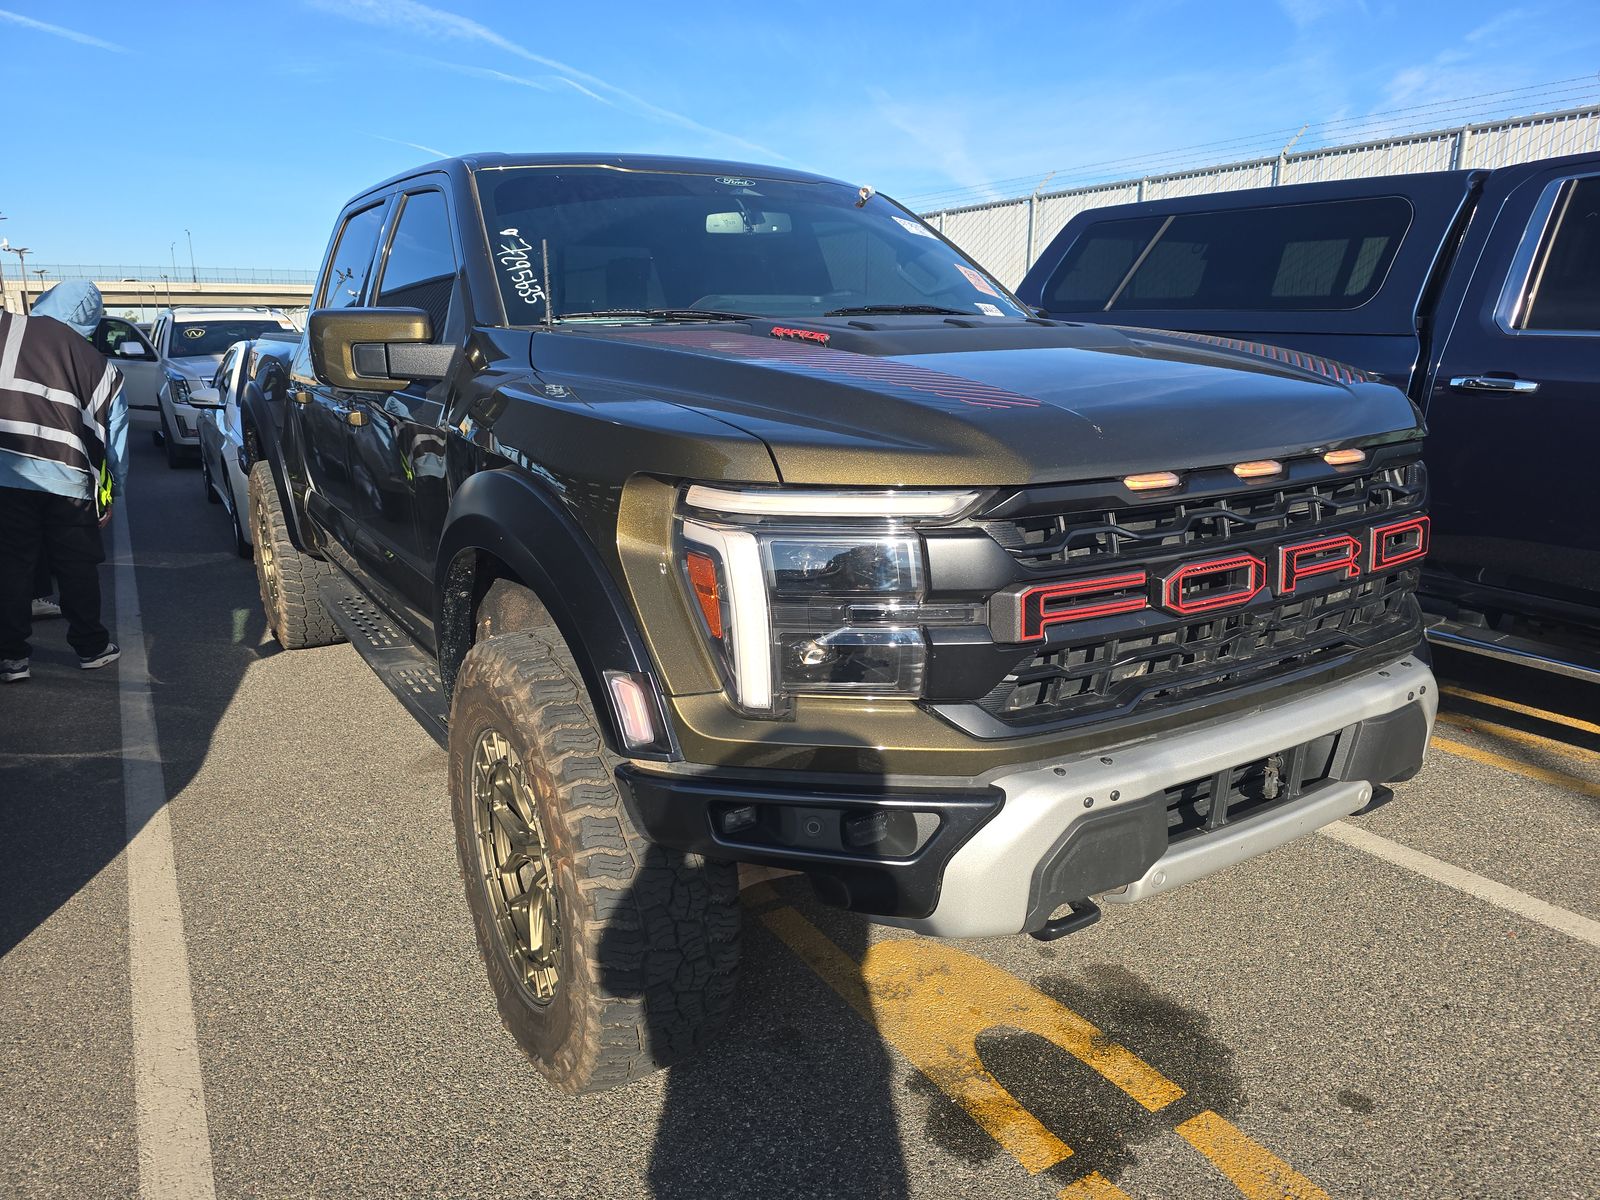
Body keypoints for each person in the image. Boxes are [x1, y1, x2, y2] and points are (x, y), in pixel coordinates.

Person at [0, 281, 127, 683]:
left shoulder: (6, 329)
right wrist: (111, 495)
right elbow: (116, 441)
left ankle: (12, 657)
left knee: (11, 565)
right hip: (69, 482)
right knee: (77, 565)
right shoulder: (98, 364)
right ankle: (91, 647)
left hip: (6, 473)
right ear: (90, 321)